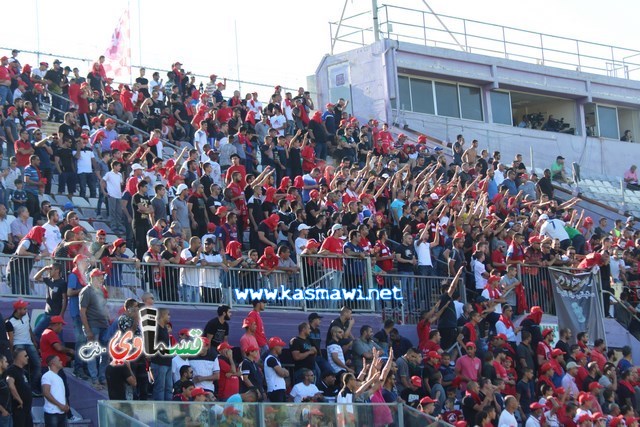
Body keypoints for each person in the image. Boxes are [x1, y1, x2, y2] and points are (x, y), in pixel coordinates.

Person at [79, 269, 110, 389]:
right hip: (93, 325)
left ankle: (101, 378)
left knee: (105, 353)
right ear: (93, 278)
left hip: (103, 325)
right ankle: (95, 379)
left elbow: (104, 307)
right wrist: (87, 330)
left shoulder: (101, 290)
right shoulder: (86, 291)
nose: (102, 279)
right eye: (100, 277)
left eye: (102, 277)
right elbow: (82, 312)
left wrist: (108, 319)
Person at [6, 348, 32, 427]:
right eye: (25, 356)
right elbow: (11, 385)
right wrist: (19, 400)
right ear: (19, 357)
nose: (27, 357)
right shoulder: (11, 370)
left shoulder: (24, 372)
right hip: (18, 409)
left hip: (27, 410)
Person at [41, 355, 70, 426]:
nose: (61, 361)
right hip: (52, 413)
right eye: (59, 360)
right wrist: (60, 405)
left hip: (62, 412)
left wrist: (66, 405)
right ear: (53, 363)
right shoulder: (47, 376)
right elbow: (46, 392)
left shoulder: (59, 378)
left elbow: (62, 394)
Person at [264, 337, 289, 402]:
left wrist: (284, 371)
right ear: (275, 347)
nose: (282, 348)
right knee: (278, 410)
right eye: (280, 346)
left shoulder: (275, 359)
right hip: (275, 389)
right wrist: (284, 371)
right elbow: (281, 373)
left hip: (279, 388)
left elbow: (284, 373)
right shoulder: (271, 359)